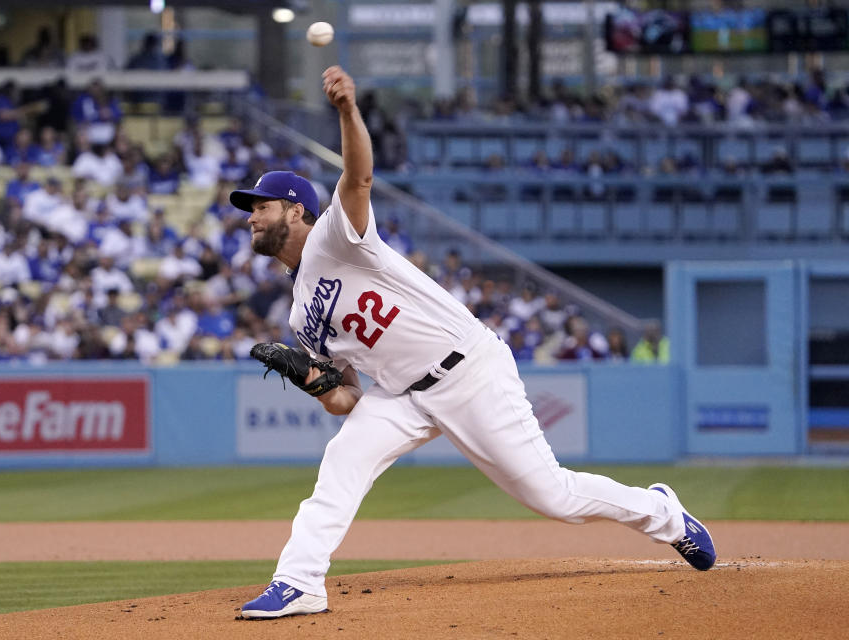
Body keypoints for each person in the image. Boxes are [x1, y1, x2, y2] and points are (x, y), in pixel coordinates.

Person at [232, 66, 716, 620]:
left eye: (260, 206)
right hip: (401, 396)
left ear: (296, 210)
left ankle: (665, 515)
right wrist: (310, 379)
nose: (252, 217)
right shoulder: (299, 314)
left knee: (551, 496)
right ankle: (299, 582)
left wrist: (346, 111)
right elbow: (347, 400)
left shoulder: (334, 238)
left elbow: (359, 179)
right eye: (251, 210)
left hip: (467, 369)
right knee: (344, 457)